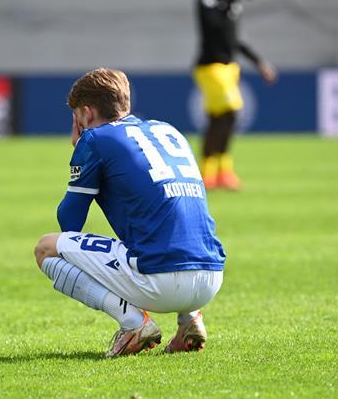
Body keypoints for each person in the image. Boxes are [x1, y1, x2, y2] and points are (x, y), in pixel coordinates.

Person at [34, 68, 226, 357]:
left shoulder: (94, 139)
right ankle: (190, 319)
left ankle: (133, 323)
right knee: (171, 231)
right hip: (212, 276)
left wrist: (79, 153)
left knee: (46, 248)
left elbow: (69, 223)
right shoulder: (168, 130)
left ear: (85, 113)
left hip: (161, 282)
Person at [194, 0, 277, 190]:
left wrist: (259, 62)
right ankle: (216, 171)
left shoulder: (233, 3)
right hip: (211, 67)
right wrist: (229, 4)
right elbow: (214, 28)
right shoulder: (208, 0)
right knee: (231, 111)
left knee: (219, 118)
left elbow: (236, 39)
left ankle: (216, 172)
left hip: (230, 68)